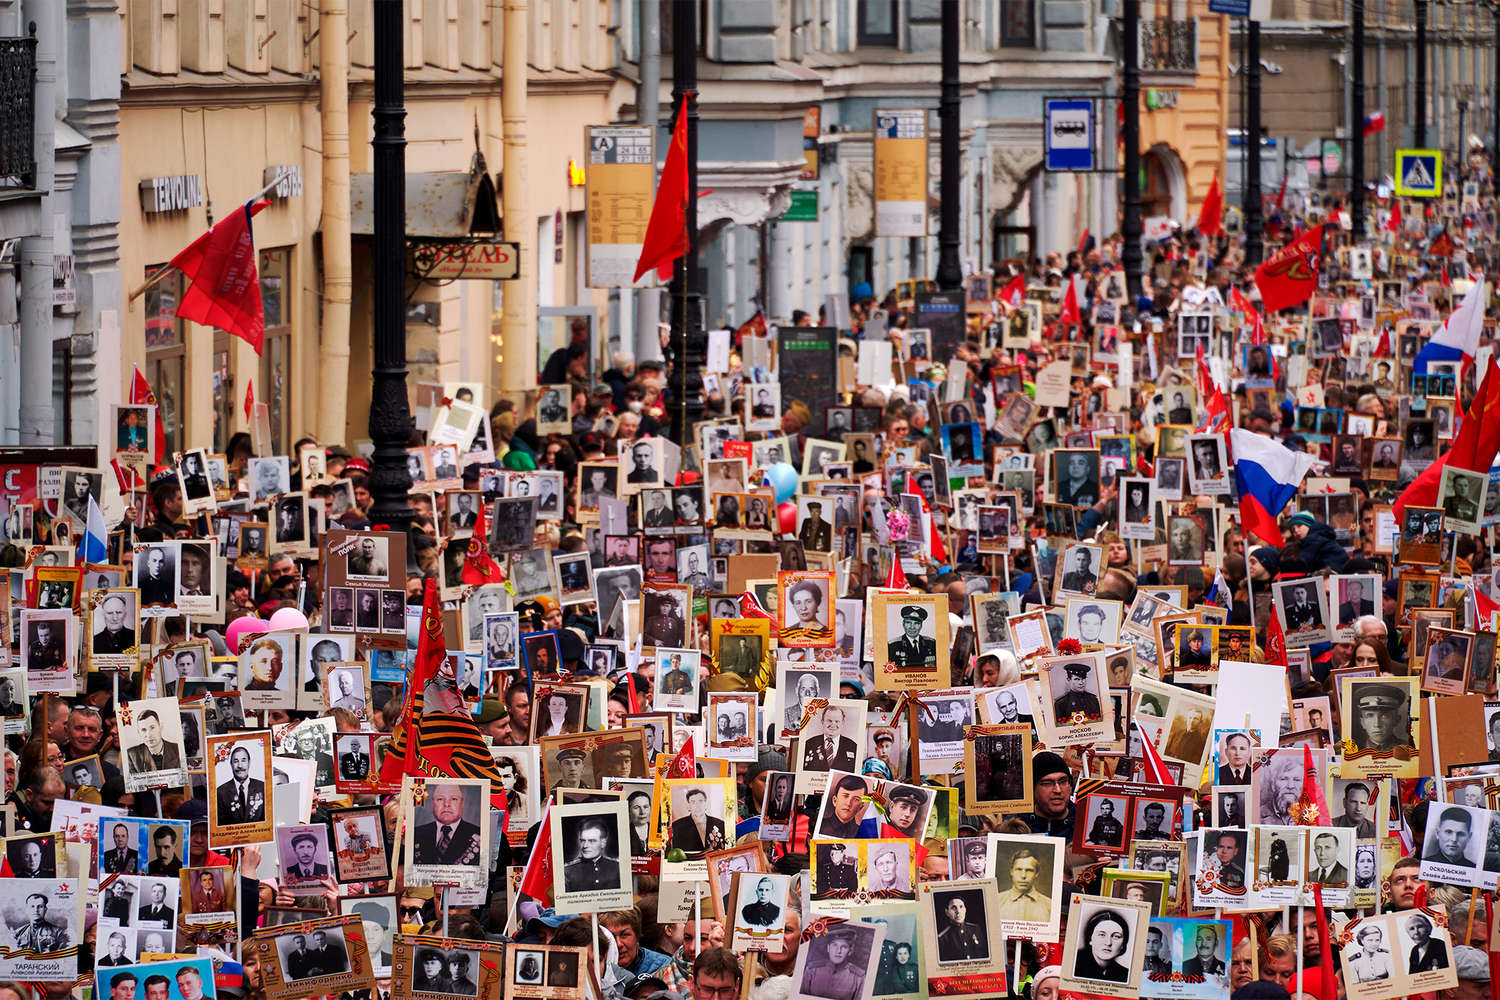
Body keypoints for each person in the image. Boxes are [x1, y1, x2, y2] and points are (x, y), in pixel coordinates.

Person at [413, 784, 483, 866]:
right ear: (433, 803)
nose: (446, 804)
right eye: (440, 799)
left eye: (453, 799)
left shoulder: (480, 834)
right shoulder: (416, 833)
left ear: (462, 803)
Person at [1071, 908, 1131, 983]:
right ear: (1090, 939)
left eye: (1116, 936)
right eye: (1102, 935)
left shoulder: (1125, 975)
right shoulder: (1073, 965)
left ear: (1123, 944)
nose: (1108, 942)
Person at [562, 818, 621, 892]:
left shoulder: (618, 868)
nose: (585, 846)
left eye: (592, 841)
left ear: (603, 843)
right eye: (582, 841)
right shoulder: (568, 871)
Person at [216, 744, 266, 824]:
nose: (240, 766)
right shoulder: (220, 792)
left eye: (243, 760)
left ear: (249, 763)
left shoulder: (263, 787)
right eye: (236, 761)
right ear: (231, 764)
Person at [670, 787, 726, 854]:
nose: (697, 806)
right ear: (688, 806)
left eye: (700, 801)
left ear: (706, 804)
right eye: (693, 802)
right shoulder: (676, 827)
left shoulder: (720, 824)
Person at [126, 709, 184, 774]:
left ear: (160, 727)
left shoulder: (178, 749)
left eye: (152, 727)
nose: (149, 735)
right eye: (143, 730)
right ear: (139, 732)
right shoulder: (132, 755)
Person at [935, 894, 985, 961]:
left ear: (965, 909)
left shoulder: (976, 929)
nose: (958, 912)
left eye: (961, 907)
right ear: (947, 912)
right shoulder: (943, 938)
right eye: (953, 908)